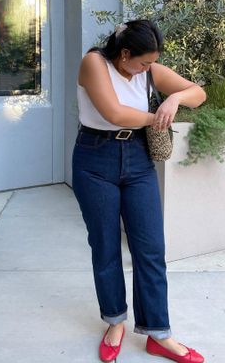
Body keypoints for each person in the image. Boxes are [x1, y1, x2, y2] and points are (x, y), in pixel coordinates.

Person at [72, 19, 206, 363]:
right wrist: (156, 116)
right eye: (144, 62)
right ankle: (115, 321)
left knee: (150, 248)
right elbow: (114, 113)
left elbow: (198, 94)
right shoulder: (94, 62)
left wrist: (173, 99)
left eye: (152, 63)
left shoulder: (147, 68)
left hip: (137, 159)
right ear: (124, 53)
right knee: (104, 244)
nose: (149, 69)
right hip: (95, 159)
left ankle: (158, 333)